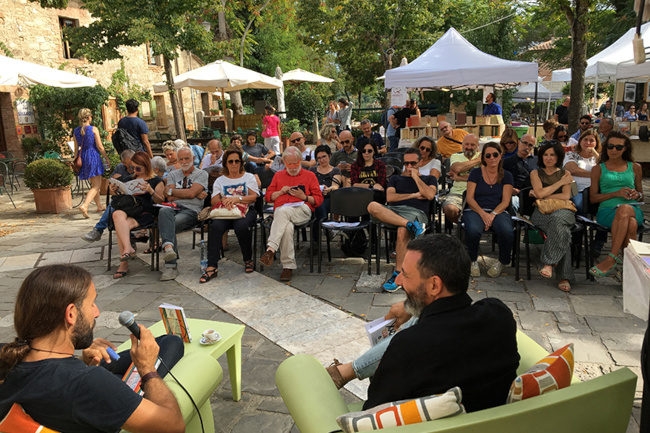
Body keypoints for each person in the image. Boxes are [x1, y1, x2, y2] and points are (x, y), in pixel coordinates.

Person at [0, 264, 185, 433]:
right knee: (171, 344)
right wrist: (147, 369)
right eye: (92, 304)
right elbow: (174, 427)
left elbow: (53, 384)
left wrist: (81, 363)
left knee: (170, 343)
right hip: (93, 394)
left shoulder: (8, 357)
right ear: (71, 314)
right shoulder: (87, 383)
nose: (96, 312)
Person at [355, 234, 518, 412]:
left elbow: (372, 411)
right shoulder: (499, 316)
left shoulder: (408, 346)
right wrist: (413, 306)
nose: (398, 281)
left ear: (434, 285)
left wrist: (383, 370)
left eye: (405, 275)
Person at [367, 148, 437, 292]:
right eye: (406, 164)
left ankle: (398, 274)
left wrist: (416, 178)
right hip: (393, 212)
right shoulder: (395, 178)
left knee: (402, 230)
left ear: (421, 162)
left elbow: (429, 195)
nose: (409, 167)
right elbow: (390, 198)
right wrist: (414, 195)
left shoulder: (429, 179)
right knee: (372, 205)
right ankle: (411, 225)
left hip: (416, 212)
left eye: (413, 163)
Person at [260, 147, 324, 281]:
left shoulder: (309, 175)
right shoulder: (278, 176)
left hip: (302, 210)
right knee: (287, 227)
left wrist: (304, 196)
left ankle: (271, 249)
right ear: (284, 162)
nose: (294, 167)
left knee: (282, 211)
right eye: (290, 164)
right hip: (282, 214)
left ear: (300, 160)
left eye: (296, 163)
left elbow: (318, 200)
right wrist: (280, 192)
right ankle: (287, 267)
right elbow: (268, 197)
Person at [589, 132, 644, 278]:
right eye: (610, 146)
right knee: (631, 224)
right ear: (606, 148)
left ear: (625, 149)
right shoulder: (598, 169)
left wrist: (636, 195)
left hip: (632, 207)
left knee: (625, 209)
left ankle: (611, 258)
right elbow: (593, 198)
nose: (613, 150)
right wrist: (615, 194)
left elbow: (641, 194)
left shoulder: (635, 167)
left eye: (618, 147)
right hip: (607, 211)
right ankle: (630, 272)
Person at [201, 149, 259, 282]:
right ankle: (211, 266)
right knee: (215, 226)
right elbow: (213, 200)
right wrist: (225, 200)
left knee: (241, 226)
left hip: (245, 210)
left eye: (237, 161)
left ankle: (248, 259)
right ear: (226, 164)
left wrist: (236, 199)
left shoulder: (249, 177)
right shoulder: (220, 180)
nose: (234, 164)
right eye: (230, 161)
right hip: (225, 211)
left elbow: (253, 197)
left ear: (241, 162)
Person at [462, 142, 514, 278]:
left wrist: (492, 215)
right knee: (473, 230)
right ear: (483, 158)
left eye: (495, 155)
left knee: (506, 231)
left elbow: (505, 201)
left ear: (500, 156)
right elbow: (470, 198)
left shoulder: (507, 175)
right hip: (475, 209)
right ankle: (472, 260)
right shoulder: (475, 173)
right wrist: (483, 214)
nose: (492, 158)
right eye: (488, 155)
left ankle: (503, 261)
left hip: (498, 210)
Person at [530, 141, 576, 292]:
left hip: (564, 211)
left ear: (558, 157)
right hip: (541, 212)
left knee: (558, 221)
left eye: (552, 155)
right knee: (563, 232)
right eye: (545, 154)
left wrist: (545, 194)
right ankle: (564, 277)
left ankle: (549, 262)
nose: (548, 158)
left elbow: (566, 195)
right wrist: (560, 183)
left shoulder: (566, 173)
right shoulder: (535, 173)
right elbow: (539, 193)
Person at [110, 152, 165, 279]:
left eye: (138, 168)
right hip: (128, 210)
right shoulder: (129, 179)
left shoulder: (156, 180)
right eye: (132, 168)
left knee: (120, 225)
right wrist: (115, 190)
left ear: (146, 166)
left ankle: (124, 264)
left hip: (145, 213)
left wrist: (150, 191)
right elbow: (122, 198)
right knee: (117, 214)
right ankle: (128, 248)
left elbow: (160, 201)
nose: (135, 171)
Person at [160, 147, 208, 281]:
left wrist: (175, 192)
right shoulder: (173, 175)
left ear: (193, 159)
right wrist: (191, 193)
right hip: (173, 208)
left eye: (187, 158)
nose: (184, 161)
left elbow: (189, 194)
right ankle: (169, 248)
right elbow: (168, 196)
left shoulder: (201, 174)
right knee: (164, 210)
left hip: (192, 211)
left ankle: (170, 266)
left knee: (168, 225)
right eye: (181, 159)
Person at [81, 150, 135, 243]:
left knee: (115, 205)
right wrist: (114, 182)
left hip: (136, 200)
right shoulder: (120, 168)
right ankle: (98, 230)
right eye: (128, 164)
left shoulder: (141, 166)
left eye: (132, 163)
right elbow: (107, 187)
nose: (131, 167)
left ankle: (98, 230)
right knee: (114, 204)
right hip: (122, 199)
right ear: (123, 162)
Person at [73, 108, 108, 218]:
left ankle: (99, 205)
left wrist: (75, 160)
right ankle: (85, 205)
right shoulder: (93, 129)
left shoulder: (76, 131)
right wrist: (106, 158)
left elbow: (75, 149)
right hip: (93, 156)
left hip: (83, 157)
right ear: (88, 118)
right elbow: (100, 146)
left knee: (93, 184)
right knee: (97, 185)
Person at [442, 134, 481, 225]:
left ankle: (469, 227)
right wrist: (478, 161)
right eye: (466, 144)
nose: (469, 147)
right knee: (449, 209)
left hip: (478, 193)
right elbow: (457, 169)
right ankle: (464, 226)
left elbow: (482, 176)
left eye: (472, 145)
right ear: (462, 145)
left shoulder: (483, 155)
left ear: (478, 146)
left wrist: (459, 177)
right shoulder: (455, 156)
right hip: (457, 193)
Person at [563, 129, 601, 211]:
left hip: (595, 189)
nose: (588, 143)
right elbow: (573, 170)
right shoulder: (571, 154)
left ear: (596, 143)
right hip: (575, 187)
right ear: (580, 141)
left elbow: (606, 169)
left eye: (591, 141)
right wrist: (595, 175)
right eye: (585, 140)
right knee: (578, 204)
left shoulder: (598, 157)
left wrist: (595, 153)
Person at [503, 134, 537, 211]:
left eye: (530, 145)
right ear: (519, 142)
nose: (527, 147)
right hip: (514, 195)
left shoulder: (537, 161)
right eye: (524, 143)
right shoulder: (507, 162)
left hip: (533, 195)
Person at [310, 145, 343, 221]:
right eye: (319, 158)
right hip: (315, 197)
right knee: (318, 202)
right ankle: (321, 226)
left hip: (329, 198)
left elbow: (335, 186)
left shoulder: (335, 170)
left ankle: (323, 225)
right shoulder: (312, 170)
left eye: (324, 156)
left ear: (329, 156)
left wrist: (328, 189)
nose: (322, 160)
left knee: (322, 203)